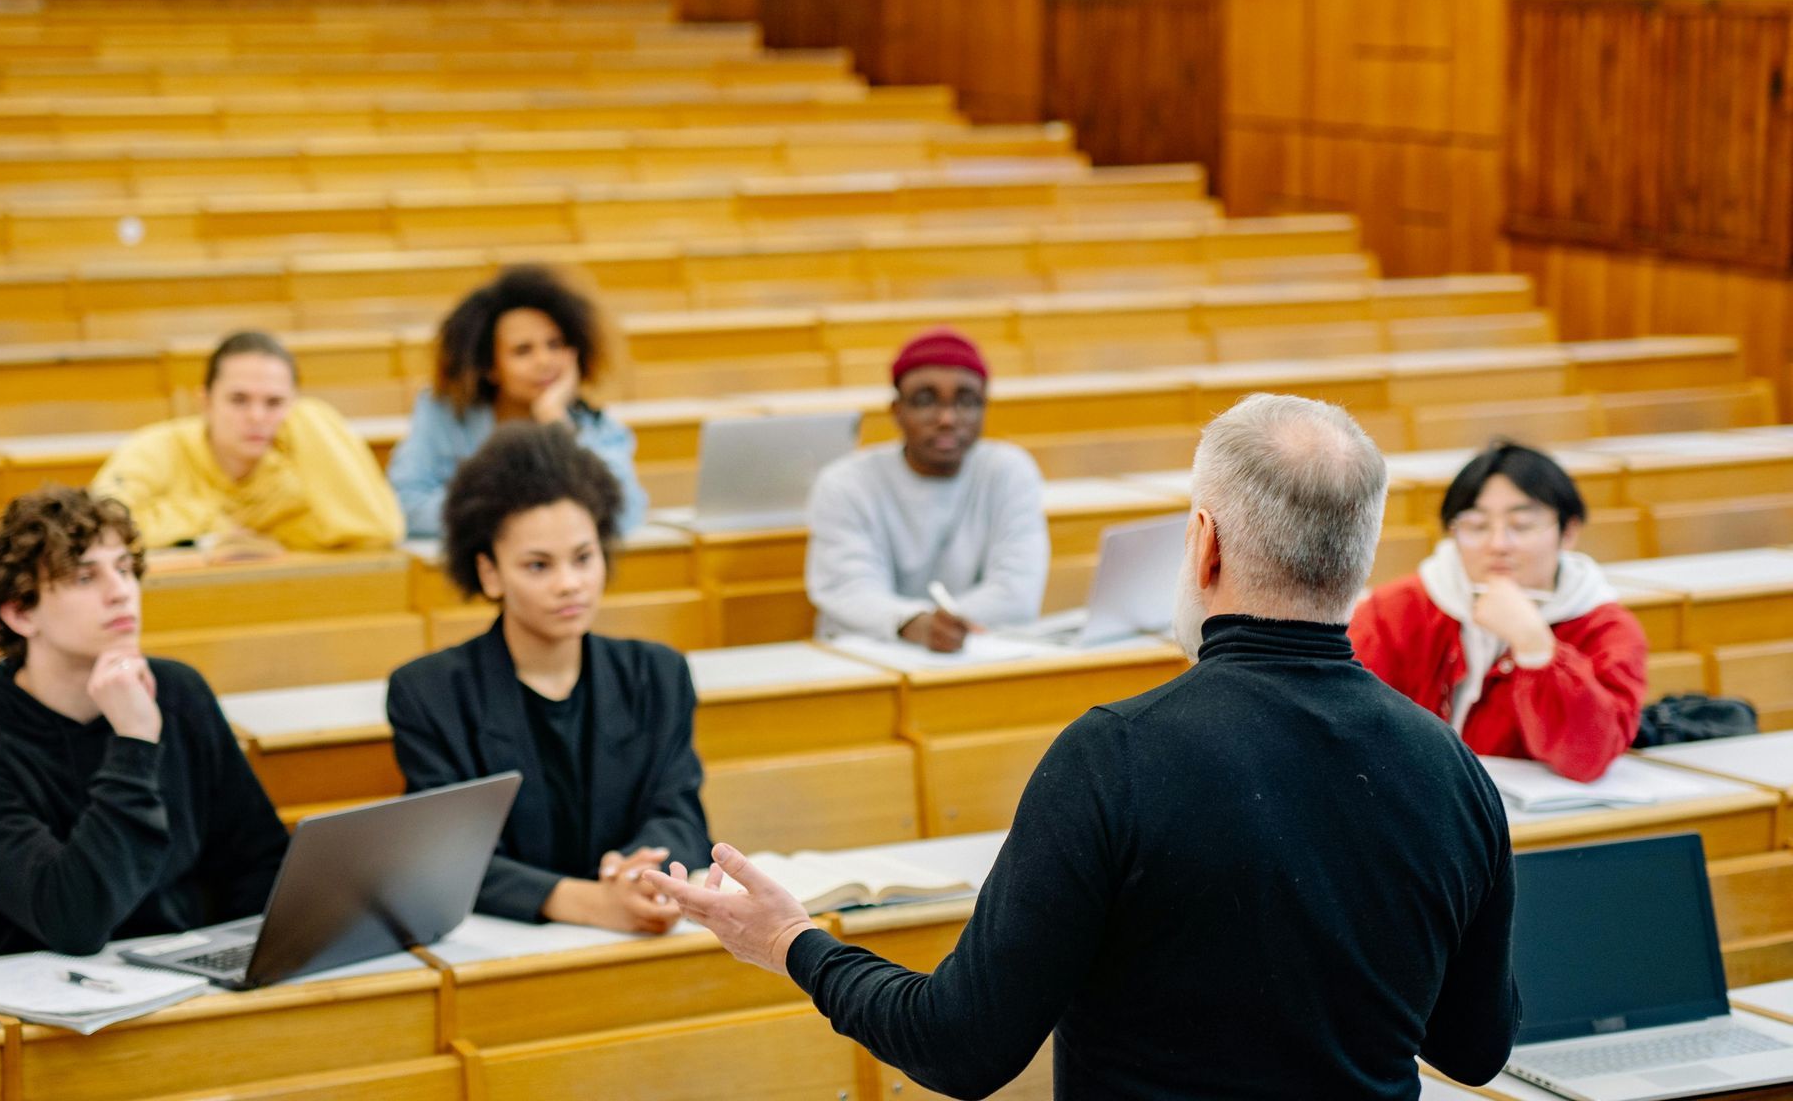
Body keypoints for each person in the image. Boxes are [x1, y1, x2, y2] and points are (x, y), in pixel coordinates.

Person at [649, 394, 1520, 1099]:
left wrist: (792, 941)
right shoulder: (1448, 767)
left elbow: (961, 1048)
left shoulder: (1119, 757)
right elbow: (1475, 1051)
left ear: (1204, 542)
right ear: (1359, 557)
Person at [0, 486, 289, 960]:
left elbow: (259, 862)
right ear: (20, 613)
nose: (121, 592)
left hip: (186, 983)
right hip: (42, 1008)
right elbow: (74, 921)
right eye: (84, 577)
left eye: (123, 569)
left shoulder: (179, 692)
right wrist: (135, 742)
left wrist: (251, 969)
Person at [386, 422, 708, 932]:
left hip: (634, 935)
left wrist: (640, 871)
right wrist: (588, 902)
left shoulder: (657, 674)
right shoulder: (429, 693)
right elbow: (449, 858)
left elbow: (682, 815)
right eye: (538, 566)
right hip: (502, 943)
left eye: (584, 558)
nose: (570, 585)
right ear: (489, 573)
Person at [1350, 440, 1646, 783]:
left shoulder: (1605, 627)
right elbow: (1350, 721)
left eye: (1521, 526)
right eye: (1476, 526)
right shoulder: (1398, 609)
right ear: (1452, 532)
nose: (1499, 545)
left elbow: (1587, 758)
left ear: (1569, 532)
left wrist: (1536, 649)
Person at [804, 327, 1047, 652]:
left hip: (979, 654)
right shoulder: (846, 483)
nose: (947, 418)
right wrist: (914, 624)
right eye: (925, 400)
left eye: (966, 401)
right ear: (897, 410)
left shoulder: (1008, 471)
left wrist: (943, 627)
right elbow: (847, 589)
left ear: (984, 408)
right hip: (869, 656)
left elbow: (1017, 591)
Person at [387, 265, 646, 539]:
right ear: (490, 367)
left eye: (555, 345)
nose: (544, 361)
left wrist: (556, 421)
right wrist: (521, 515)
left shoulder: (591, 424)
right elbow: (405, 506)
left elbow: (625, 513)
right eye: (523, 350)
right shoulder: (444, 413)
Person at [91, 330, 402, 553]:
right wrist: (213, 521)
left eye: (275, 403)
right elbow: (100, 527)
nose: (256, 416)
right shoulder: (156, 449)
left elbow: (376, 531)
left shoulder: (290, 477)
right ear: (206, 401)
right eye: (239, 400)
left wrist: (310, 417)